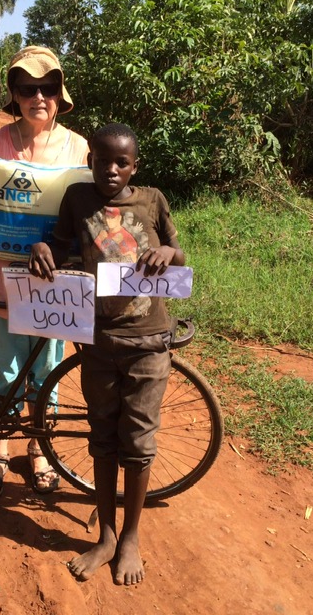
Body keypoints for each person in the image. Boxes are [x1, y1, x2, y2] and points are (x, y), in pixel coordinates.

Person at [29, 123, 185, 585]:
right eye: (103, 161)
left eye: (122, 163)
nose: (111, 170)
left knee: (137, 443)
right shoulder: (78, 199)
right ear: (90, 161)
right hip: (96, 342)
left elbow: (179, 254)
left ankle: (131, 536)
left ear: (135, 166)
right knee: (101, 437)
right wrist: (42, 248)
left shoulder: (152, 200)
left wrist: (166, 254)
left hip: (149, 342)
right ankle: (107, 536)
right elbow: (60, 249)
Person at [0, 46, 89, 498]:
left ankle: (40, 449)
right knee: (6, 369)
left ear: (59, 93)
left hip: (52, 282)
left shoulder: (79, 147)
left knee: (47, 370)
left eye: (47, 87)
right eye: (27, 88)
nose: (39, 96)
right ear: (14, 94)